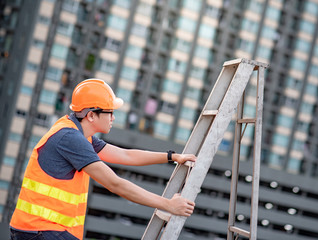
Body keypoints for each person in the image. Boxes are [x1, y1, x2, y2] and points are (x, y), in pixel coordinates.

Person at [9, 79, 196, 240]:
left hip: (41, 230)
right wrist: (168, 205)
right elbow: (115, 184)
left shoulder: (80, 135)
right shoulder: (70, 139)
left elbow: (126, 155)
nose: (113, 118)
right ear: (91, 115)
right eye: (110, 112)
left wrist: (172, 157)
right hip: (41, 230)